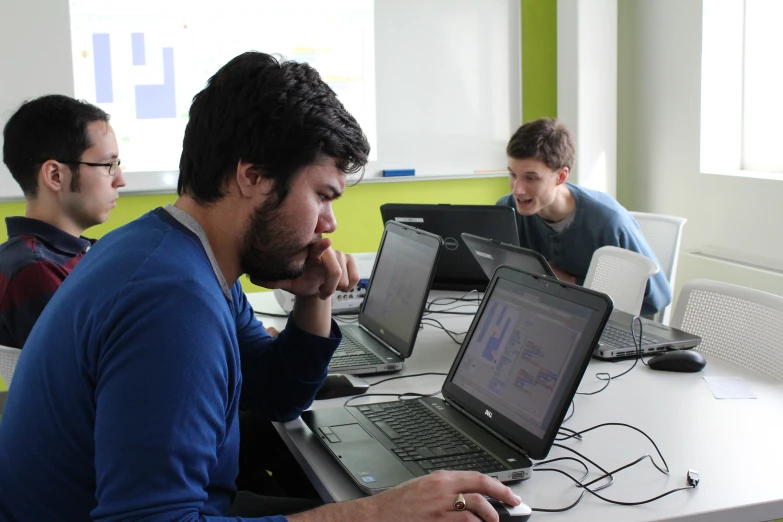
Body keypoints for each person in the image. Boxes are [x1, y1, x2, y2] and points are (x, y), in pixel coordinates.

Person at [0, 52, 522, 521]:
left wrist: (314, 297)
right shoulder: (172, 303)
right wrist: (378, 514)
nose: (330, 224)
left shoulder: (180, 254)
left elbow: (275, 394)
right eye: (322, 195)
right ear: (251, 176)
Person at [496, 118, 671, 316]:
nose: (517, 189)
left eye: (530, 178)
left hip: (601, 325)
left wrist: (570, 283)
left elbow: (657, 299)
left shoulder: (608, 222)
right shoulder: (507, 209)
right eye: (512, 174)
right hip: (540, 315)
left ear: (561, 176)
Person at [0, 94, 126, 348]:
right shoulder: (34, 269)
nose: (120, 179)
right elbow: (87, 370)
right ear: (55, 175)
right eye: (107, 165)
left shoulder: (84, 253)